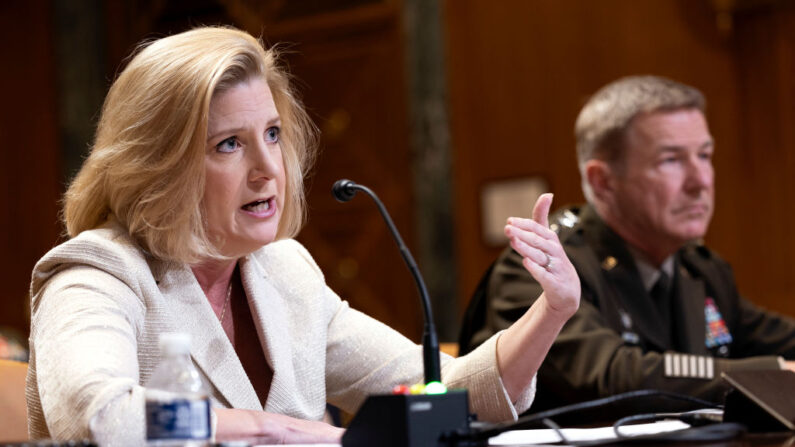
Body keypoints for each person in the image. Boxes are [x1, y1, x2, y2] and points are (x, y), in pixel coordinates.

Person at [27, 26, 580, 445]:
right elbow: (95, 411)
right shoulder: (95, 273)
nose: (269, 167)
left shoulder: (282, 269)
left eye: (271, 133)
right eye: (229, 144)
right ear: (158, 165)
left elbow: (450, 390)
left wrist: (551, 310)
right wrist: (272, 429)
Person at [460, 75, 795, 412]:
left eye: (705, 155)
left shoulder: (700, 268)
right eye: (672, 160)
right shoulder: (542, 266)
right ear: (603, 181)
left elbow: (779, 338)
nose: (701, 181)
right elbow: (611, 375)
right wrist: (775, 374)